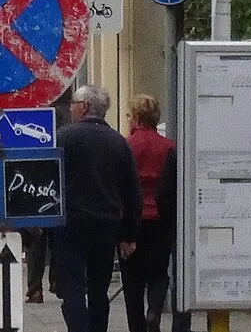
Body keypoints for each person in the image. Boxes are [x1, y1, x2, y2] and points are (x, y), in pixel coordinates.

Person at [55, 84, 141, 332]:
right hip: (105, 225)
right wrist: (129, 234)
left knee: (73, 288)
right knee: (98, 289)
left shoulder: (63, 138)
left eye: (73, 104)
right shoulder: (119, 143)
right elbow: (131, 191)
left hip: (69, 224)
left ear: (84, 107)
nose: (71, 108)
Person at [121, 95, 178, 332]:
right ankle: (154, 310)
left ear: (135, 117)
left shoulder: (126, 146)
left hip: (132, 220)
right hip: (161, 220)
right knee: (158, 273)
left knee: (132, 280)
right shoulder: (169, 147)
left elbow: (122, 184)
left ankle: (137, 327)